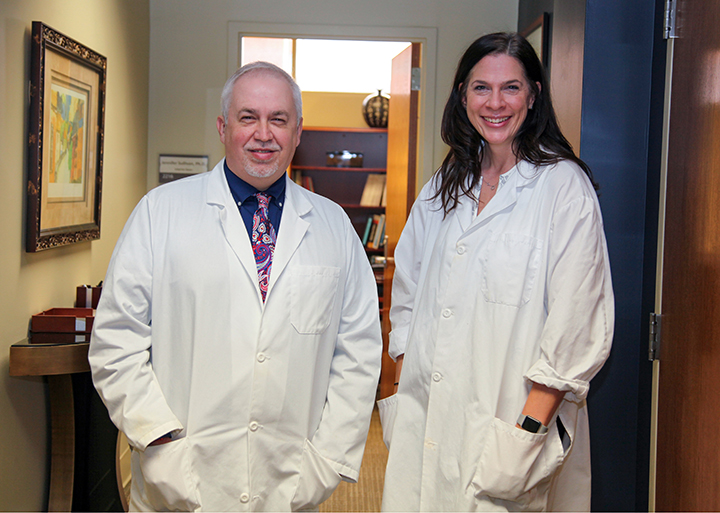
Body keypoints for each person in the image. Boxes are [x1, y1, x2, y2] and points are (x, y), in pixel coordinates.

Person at [89, 61, 382, 512]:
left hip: (291, 477)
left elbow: (359, 352)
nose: (263, 134)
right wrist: (158, 437)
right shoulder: (159, 213)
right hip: (180, 477)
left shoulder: (333, 226)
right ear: (224, 126)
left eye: (278, 119)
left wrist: (327, 455)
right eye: (248, 117)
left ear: (297, 131)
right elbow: (115, 341)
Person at [379, 33, 614, 512]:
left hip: (512, 426)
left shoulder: (562, 187)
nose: (495, 103)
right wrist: (406, 373)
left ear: (534, 95)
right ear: (462, 94)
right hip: (428, 412)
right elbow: (407, 289)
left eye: (511, 87)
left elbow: (577, 325)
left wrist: (526, 432)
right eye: (481, 88)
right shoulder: (446, 184)